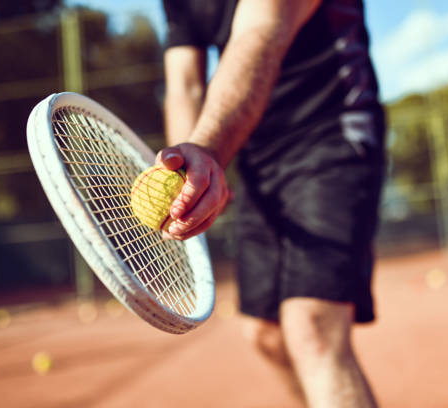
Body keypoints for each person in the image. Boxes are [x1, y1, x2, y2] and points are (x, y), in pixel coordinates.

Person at [157, 1, 385, 407]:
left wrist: (209, 151)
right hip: (254, 152)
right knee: (266, 333)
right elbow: (184, 85)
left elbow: (260, 32)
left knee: (310, 326)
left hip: (332, 129)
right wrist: (184, 173)